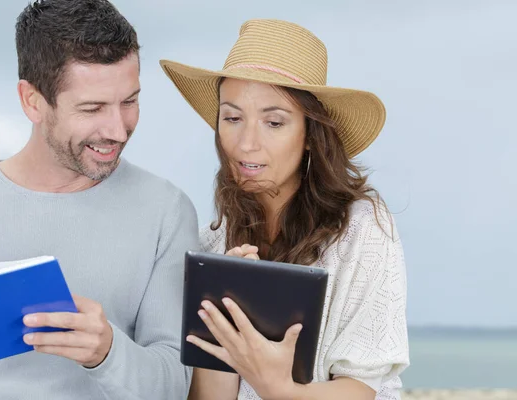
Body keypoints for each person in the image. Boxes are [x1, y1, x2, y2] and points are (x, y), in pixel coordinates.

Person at [0, 0, 198, 399]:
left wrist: (107, 352)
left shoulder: (166, 212)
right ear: (32, 101)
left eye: (130, 100)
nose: (118, 129)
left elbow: (173, 387)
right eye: (92, 108)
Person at [160, 19, 410, 400]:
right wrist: (223, 323)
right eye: (232, 118)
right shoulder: (212, 243)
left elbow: (362, 388)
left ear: (310, 135)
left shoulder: (361, 227)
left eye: (273, 122)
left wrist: (278, 387)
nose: (246, 144)